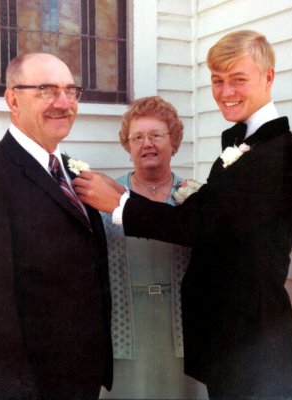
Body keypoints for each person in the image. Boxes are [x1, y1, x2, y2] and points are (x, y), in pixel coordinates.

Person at [74, 30, 292, 399]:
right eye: (217, 81)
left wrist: (120, 206)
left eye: (238, 79)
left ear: (269, 77)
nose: (225, 92)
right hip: (227, 336)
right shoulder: (247, 144)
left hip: (252, 340)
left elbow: (206, 225)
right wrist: (123, 194)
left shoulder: (279, 155)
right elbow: (209, 207)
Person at [0, 53, 113, 399]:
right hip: (32, 386)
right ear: (12, 99)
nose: (64, 103)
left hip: (82, 377)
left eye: (71, 91)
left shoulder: (71, 170)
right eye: (46, 90)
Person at [99, 96, 205, 399]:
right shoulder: (106, 197)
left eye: (157, 135)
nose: (147, 143)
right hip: (127, 330)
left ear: (174, 143)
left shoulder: (195, 197)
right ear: (128, 145)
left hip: (182, 330)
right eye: (138, 137)